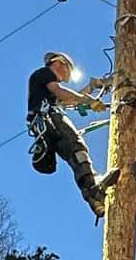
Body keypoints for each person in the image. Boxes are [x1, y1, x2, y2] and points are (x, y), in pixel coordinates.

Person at [27, 52, 118, 218]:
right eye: (67, 71)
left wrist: (91, 89)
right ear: (58, 63)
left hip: (45, 125)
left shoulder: (45, 90)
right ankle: (93, 188)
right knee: (77, 147)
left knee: (74, 155)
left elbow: (67, 101)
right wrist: (89, 101)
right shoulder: (44, 73)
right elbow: (61, 93)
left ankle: (94, 198)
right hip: (49, 118)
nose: (65, 77)